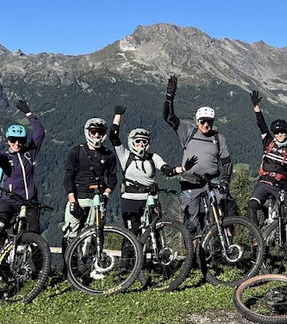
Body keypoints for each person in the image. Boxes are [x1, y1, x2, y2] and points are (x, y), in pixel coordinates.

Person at [0, 99, 45, 256]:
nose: (17, 143)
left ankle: (41, 269)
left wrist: (29, 113)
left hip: (29, 202)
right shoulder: (6, 158)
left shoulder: (30, 153)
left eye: (21, 140)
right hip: (8, 201)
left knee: (36, 241)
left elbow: (39, 132)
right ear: (7, 141)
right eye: (13, 140)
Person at [163, 74, 235, 232]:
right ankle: (193, 247)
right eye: (202, 121)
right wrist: (169, 97)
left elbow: (227, 163)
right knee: (191, 224)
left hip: (212, 182)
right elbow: (168, 117)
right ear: (197, 121)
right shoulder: (188, 132)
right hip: (189, 183)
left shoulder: (218, 138)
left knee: (227, 207)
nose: (206, 125)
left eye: (209, 122)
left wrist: (225, 180)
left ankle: (227, 240)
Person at [109, 105, 192, 233]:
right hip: (130, 199)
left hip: (150, 199)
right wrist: (118, 116)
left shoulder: (153, 157)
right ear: (132, 142)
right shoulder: (125, 156)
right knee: (131, 234)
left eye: (144, 142)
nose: (141, 145)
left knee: (156, 231)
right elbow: (113, 137)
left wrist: (183, 168)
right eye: (138, 141)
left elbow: (167, 170)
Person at [247, 90, 287, 226]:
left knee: (283, 214)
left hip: (279, 186)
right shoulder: (268, 142)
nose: (280, 135)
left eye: (282, 132)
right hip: (264, 182)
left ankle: (282, 236)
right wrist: (256, 107)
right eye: (277, 132)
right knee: (252, 205)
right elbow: (261, 125)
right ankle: (256, 235)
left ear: (286, 133)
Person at [63, 116, 117, 244]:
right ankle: (68, 256)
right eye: (94, 132)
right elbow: (69, 176)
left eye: (100, 132)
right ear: (88, 133)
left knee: (97, 233)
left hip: (98, 198)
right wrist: (72, 200)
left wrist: (107, 193)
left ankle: (95, 255)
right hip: (78, 196)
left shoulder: (109, 155)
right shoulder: (76, 151)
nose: (97, 135)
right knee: (70, 233)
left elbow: (112, 177)